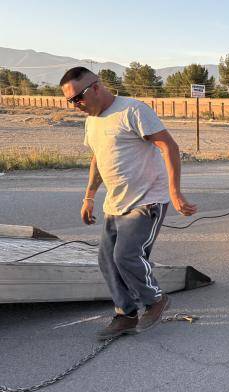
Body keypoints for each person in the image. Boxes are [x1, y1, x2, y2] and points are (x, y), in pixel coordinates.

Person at [59, 67, 197, 340]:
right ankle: (126, 314)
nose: (76, 106)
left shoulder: (132, 111)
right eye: (70, 102)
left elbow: (168, 146)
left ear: (95, 87)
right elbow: (98, 159)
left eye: (78, 98)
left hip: (147, 200)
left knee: (126, 256)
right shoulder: (92, 121)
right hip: (116, 203)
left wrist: (175, 192)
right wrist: (88, 197)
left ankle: (155, 300)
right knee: (106, 259)